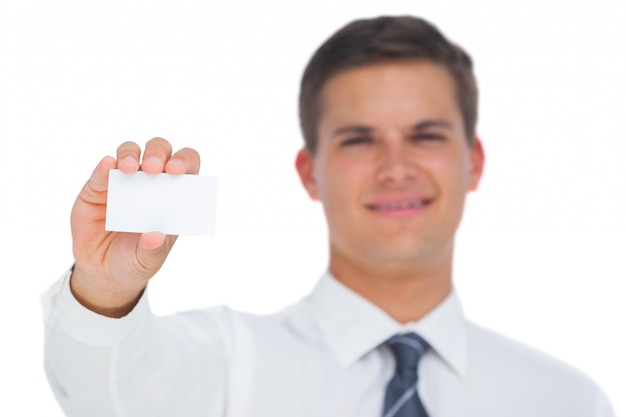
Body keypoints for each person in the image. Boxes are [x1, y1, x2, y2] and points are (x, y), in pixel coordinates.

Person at [41, 15, 615, 417]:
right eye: (359, 140)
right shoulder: (226, 364)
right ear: (310, 172)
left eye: (426, 135)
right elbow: (110, 399)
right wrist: (105, 289)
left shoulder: (566, 403)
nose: (396, 167)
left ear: (475, 163)